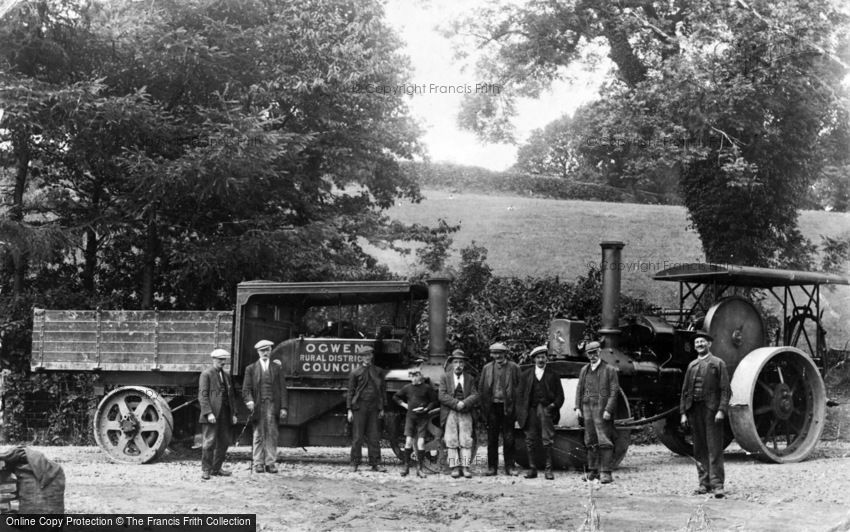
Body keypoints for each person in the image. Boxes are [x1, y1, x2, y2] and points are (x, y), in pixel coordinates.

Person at [680, 330, 731, 498]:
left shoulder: (718, 363)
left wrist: (721, 410)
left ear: (709, 344)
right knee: (699, 448)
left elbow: (725, 390)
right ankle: (703, 484)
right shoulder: (692, 366)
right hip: (694, 411)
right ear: (694, 347)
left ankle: (717, 485)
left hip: (712, 411)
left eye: (702, 342)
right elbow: (685, 391)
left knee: (714, 448)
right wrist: (683, 413)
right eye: (697, 343)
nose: (700, 345)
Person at [575, 341, 620, 484]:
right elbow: (579, 389)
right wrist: (577, 407)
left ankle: (606, 472)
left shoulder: (609, 370)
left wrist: (608, 409)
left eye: (595, 353)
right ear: (587, 355)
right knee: (590, 440)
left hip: (601, 409)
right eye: (590, 353)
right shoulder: (584, 370)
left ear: (599, 352)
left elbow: (614, 391)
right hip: (587, 408)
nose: (592, 356)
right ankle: (592, 470)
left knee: (604, 439)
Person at [517, 345, 564, 480]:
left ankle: (548, 470)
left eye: (543, 357)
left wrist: (552, 406)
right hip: (530, 411)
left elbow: (560, 396)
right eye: (538, 357)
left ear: (546, 358)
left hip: (546, 410)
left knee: (547, 439)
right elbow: (519, 396)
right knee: (530, 439)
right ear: (534, 359)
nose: (541, 360)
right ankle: (532, 469)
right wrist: (520, 413)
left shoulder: (553, 375)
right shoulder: (526, 375)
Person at [242, 339, 288, 474]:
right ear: (258, 352)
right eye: (262, 351)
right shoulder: (250, 369)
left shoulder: (277, 368)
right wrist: (249, 402)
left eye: (267, 350)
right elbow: (246, 389)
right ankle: (258, 463)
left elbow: (283, 389)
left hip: (273, 405)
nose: (265, 353)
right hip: (258, 406)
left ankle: (270, 463)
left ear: (270, 351)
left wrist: (284, 407)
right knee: (258, 434)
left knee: (272, 434)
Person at [477, 341, 521, 476]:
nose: (497, 356)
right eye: (495, 353)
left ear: (505, 354)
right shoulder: (487, 368)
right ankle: (492, 467)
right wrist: (483, 409)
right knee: (492, 438)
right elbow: (481, 389)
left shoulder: (514, 368)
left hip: (508, 407)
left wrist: (517, 410)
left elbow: (520, 389)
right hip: (492, 407)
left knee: (509, 438)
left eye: (500, 353)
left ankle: (510, 467)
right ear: (491, 355)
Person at [438, 349, 479, 479]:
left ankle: (465, 468)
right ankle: (455, 468)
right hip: (450, 411)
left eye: (461, 362)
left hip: (466, 412)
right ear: (451, 363)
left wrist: (464, 403)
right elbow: (442, 395)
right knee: (451, 440)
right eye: (455, 362)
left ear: (464, 364)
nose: (458, 365)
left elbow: (475, 394)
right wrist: (456, 403)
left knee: (466, 440)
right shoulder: (445, 377)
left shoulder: (470, 378)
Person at [198, 348, 239, 480]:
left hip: (225, 414)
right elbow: (203, 396)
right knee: (209, 443)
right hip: (212, 415)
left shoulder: (226, 375)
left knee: (224, 442)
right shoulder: (206, 374)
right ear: (214, 359)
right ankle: (206, 470)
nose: (223, 362)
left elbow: (231, 396)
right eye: (220, 359)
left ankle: (216, 469)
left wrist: (233, 413)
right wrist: (208, 413)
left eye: (224, 359)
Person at [347, 345, 387, 472]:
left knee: (374, 436)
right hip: (359, 407)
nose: (367, 358)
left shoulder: (379, 371)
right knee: (357, 437)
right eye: (364, 355)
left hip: (374, 407)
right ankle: (354, 463)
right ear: (361, 358)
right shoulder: (355, 372)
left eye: (369, 355)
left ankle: (376, 463)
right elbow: (350, 392)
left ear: (372, 356)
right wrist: (349, 410)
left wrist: (382, 408)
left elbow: (382, 391)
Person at [393, 366, 438, 477]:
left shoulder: (427, 388)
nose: (414, 378)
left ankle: (420, 469)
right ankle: (406, 467)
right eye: (412, 376)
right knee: (408, 442)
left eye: (416, 375)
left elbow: (434, 401)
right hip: (410, 418)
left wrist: (426, 409)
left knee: (421, 442)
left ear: (421, 376)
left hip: (422, 418)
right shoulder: (407, 388)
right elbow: (396, 397)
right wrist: (404, 405)